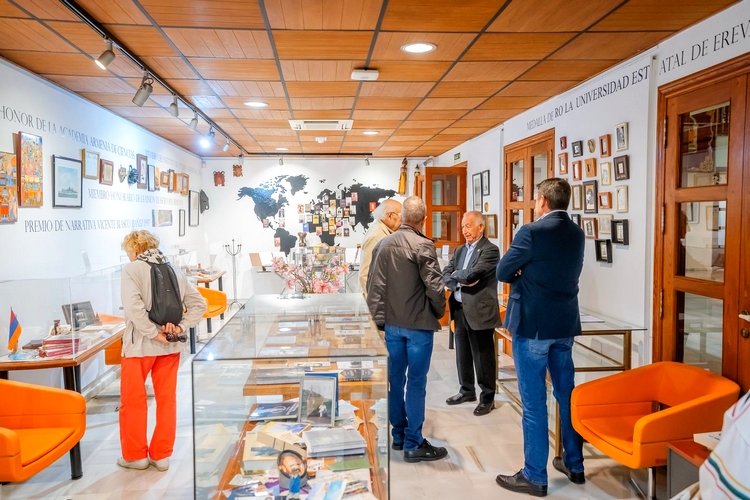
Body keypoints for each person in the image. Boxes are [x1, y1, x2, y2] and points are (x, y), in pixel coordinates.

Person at [495, 178, 585, 497]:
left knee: (534, 402)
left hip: (533, 325)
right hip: (565, 324)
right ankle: (574, 464)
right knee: (565, 395)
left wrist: (523, 272)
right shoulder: (577, 233)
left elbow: (503, 271)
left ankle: (534, 474)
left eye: (535, 199)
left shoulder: (531, 231)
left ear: (543, 200)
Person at [366, 195, 448, 463]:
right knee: (416, 383)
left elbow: (374, 286)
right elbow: (435, 287)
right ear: (424, 219)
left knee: (395, 381)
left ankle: (398, 436)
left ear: (402, 217)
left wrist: (379, 320)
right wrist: (439, 312)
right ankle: (414, 442)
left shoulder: (384, 244)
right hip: (418, 326)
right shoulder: (423, 245)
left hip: (393, 325)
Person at [118, 230, 206, 471]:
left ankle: (135, 456)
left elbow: (134, 309)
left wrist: (152, 333)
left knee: (133, 401)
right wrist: (180, 327)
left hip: (139, 347)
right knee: (167, 400)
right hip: (170, 345)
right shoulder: (174, 269)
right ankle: (162, 455)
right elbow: (199, 304)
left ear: (135, 249)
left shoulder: (132, 270)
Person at [443, 211, 501, 416]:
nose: (464, 230)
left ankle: (488, 398)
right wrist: (458, 278)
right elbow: (445, 274)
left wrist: (457, 276)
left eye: (468, 226)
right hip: (459, 309)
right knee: (463, 353)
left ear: (481, 227)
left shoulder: (490, 250)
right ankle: (467, 391)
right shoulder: (459, 250)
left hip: (480, 311)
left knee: (483, 357)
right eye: (463, 226)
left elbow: (473, 275)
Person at [359, 198, 402, 295]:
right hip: (377, 300)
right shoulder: (376, 236)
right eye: (401, 216)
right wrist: (374, 301)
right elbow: (365, 275)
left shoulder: (383, 231)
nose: (402, 220)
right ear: (389, 216)